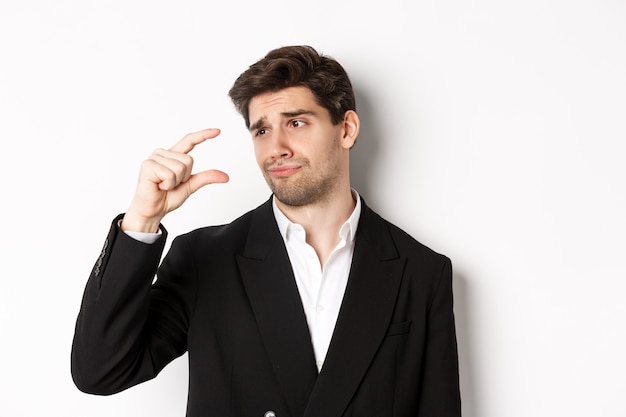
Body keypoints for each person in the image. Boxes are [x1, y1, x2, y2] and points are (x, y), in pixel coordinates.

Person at [71, 45, 461, 417]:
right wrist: (141, 219)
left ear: (347, 129)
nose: (276, 148)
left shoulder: (420, 273)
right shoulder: (205, 259)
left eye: (296, 122)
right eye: (261, 131)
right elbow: (101, 371)